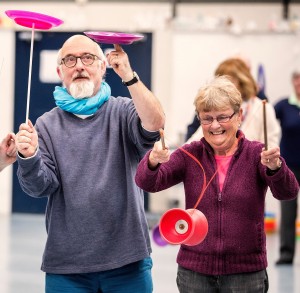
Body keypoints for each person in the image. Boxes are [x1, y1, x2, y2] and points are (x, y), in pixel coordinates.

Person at [15, 34, 165, 293]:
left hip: (127, 261)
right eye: (70, 60)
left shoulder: (123, 110)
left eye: (88, 58)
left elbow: (155, 123)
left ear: (102, 67)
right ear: (60, 71)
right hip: (67, 267)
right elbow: (40, 187)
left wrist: (129, 75)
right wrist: (29, 157)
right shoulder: (46, 125)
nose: (80, 66)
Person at [135, 76, 299, 292]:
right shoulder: (189, 154)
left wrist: (276, 167)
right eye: (206, 118)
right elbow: (147, 182)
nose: (214, 126)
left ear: (239, 116)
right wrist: (153, 160)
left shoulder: (256, 154)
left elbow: (288, 191)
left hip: (246, 273)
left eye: (222, 117)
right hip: (195, 273)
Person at [185, 58, 279, 145]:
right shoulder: (215, 109)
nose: (220, 86)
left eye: (227, 81)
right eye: (218, 80)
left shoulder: (262, 108)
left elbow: (271, 147)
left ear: (242, 81)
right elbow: (193, 142)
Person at [274, 68, 300, 265]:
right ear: (293, 82)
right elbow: (264, 115)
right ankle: (286, 254)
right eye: (297, 80)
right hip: (289, 166)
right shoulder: (283, 106)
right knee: (288, 212)